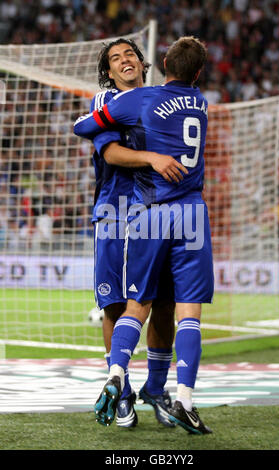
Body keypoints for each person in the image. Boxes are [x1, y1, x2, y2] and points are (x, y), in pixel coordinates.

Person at [74, 36, 214, 435]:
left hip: (153, 213)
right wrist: (152, 157)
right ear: (109, 70)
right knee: (116, 303)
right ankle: (122, 391)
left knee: (165, 302)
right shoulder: (105, 102)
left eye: (130, 54)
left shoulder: (157, 96)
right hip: (117, 212)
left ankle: (154, 389)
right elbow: (110, 153)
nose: (125, 60)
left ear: (146, 61)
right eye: (116, 58)